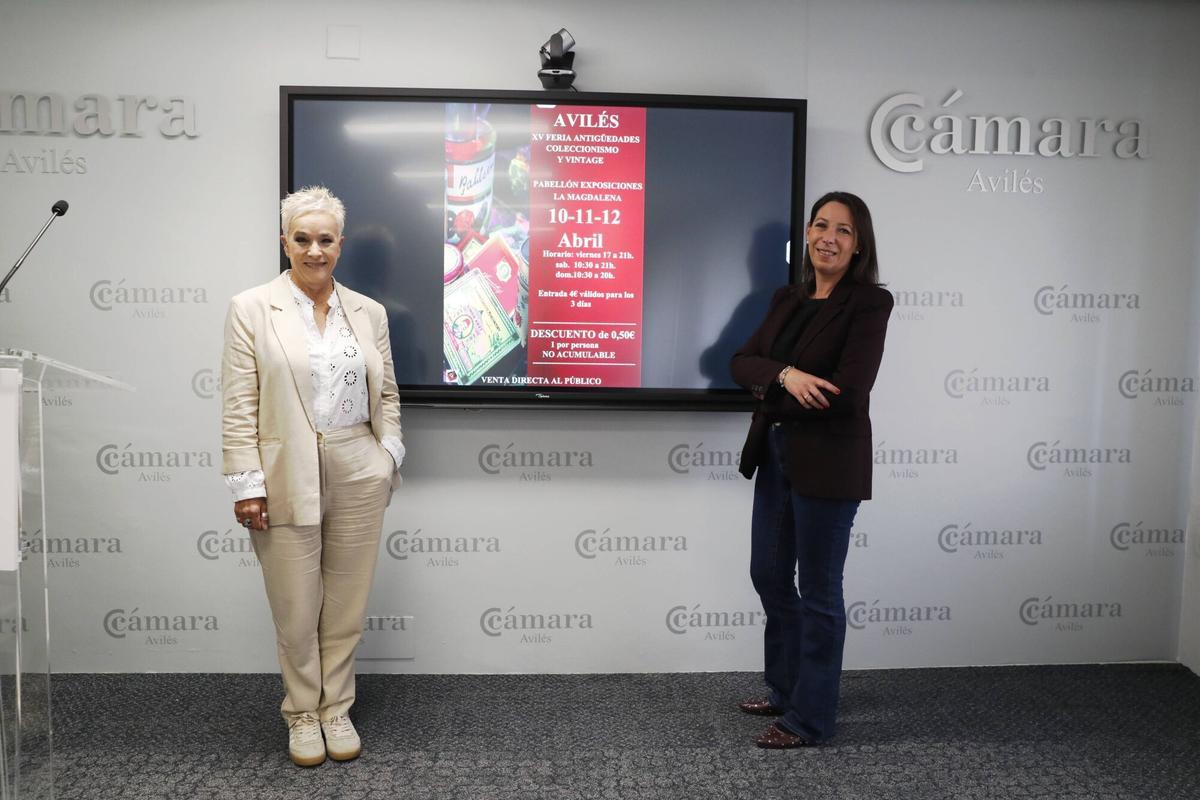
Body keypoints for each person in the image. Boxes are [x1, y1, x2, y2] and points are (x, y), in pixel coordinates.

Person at [221, 186, 404, 766]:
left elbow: (389, 392)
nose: (314, 250)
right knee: (296, 606)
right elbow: (238, 404)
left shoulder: (370, 313)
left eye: (325, 240)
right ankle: (302, 712)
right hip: (284, 469)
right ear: (285, 242)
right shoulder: (251, 307)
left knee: (346, 603)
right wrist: (247, 484)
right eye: (302, 239)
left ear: (340, 245)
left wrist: (388, 455)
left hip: (358, 464)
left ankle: (335, 709)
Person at [730, 190, 892, 748]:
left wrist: (776, 387)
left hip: (829, 461)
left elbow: (848, 394)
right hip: (776, 456)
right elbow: (740, 362)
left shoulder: (870, 304)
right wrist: (787, 376)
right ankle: (785, 687)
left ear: (858, 244)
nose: (829, 236)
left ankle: (810, 718)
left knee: (819, 591)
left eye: (843, 230)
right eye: (821, 224)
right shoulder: (787, 297)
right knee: (769, 576)